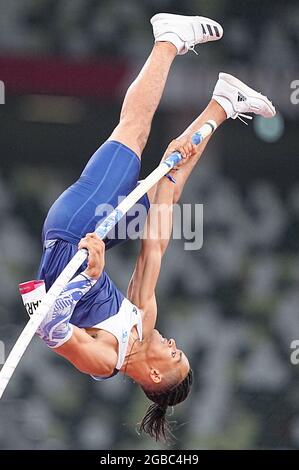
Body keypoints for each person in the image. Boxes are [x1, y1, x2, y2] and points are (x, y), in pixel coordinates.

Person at [34, 13, 275, 441]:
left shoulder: (105, 360)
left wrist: (85, 279)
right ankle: (222, 105)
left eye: (173, 354)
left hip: (74, 234)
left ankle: (167, 39)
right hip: (99, 236)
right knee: (168, 187)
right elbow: (154, 247)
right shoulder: (143, 321)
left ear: (153, 375)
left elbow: (49, 326)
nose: (171, 343)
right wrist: (171, 178)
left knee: (133, 131)